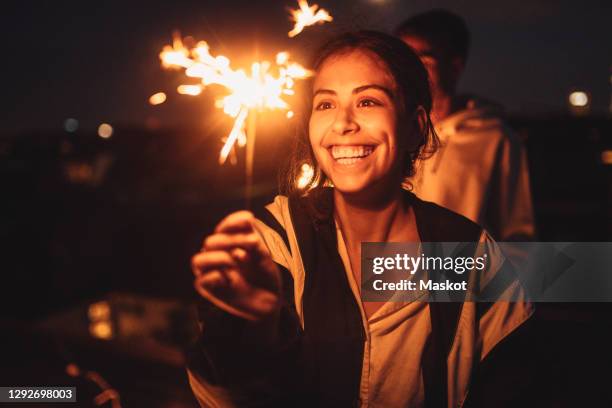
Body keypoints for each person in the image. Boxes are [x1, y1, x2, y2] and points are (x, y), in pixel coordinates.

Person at [187, 31, 533, 407]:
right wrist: (248, 330)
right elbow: (222, 397)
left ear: (415, 125)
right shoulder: (275, 241)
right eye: (325, 105)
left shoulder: (469, 255)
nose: (343, 124)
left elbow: (513, 385)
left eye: (367, 101)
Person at [395, 10, 535, 242]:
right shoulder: (396, 133)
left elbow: (517, 233)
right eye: (404, 60)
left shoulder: (495, 139)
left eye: (423, 60)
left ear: (455, 67)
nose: (411, 72)